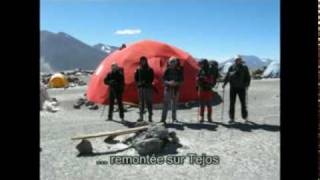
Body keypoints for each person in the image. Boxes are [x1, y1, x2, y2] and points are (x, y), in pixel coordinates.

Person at [222, 56, 251, 123]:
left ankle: (245, 117)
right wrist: (224, 84)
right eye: (236, 60)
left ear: (241, 60)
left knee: (243, 103)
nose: (237, 61)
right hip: (233, 88)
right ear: (235, 60)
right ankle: (232, 118)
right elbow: (227, 76)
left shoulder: (244, 67)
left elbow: (248, 77)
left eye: (239, 60)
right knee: (232, 103)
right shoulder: (231, 67)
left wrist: (247, 84)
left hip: (241, 88)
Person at [161, 57, 184, 124]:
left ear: (176, 63)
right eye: (171, 62)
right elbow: (163, 79)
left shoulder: (179, 71)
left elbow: (182, 80)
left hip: (176, 89)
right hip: (168, 89)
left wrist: (177, 83)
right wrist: (168, 82)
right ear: (169, 63)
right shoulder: (167, 70)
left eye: (174, 62)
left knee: (174, 105)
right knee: (165, 104)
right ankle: (163, 119)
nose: (172, 63)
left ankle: (174, 119)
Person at [134, 56, 154, 122]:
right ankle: (141, 117)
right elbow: (136, 78)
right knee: (141, 103)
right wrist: (139, 83)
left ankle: (150, 117)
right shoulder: (138, 69)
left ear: (146, 61)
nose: (143, 62)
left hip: (148, 88)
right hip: (140, 88)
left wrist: (147, 82)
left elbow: (152, 78)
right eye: (142, 60)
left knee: (149, 103)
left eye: (144, 60)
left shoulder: (150, 69)